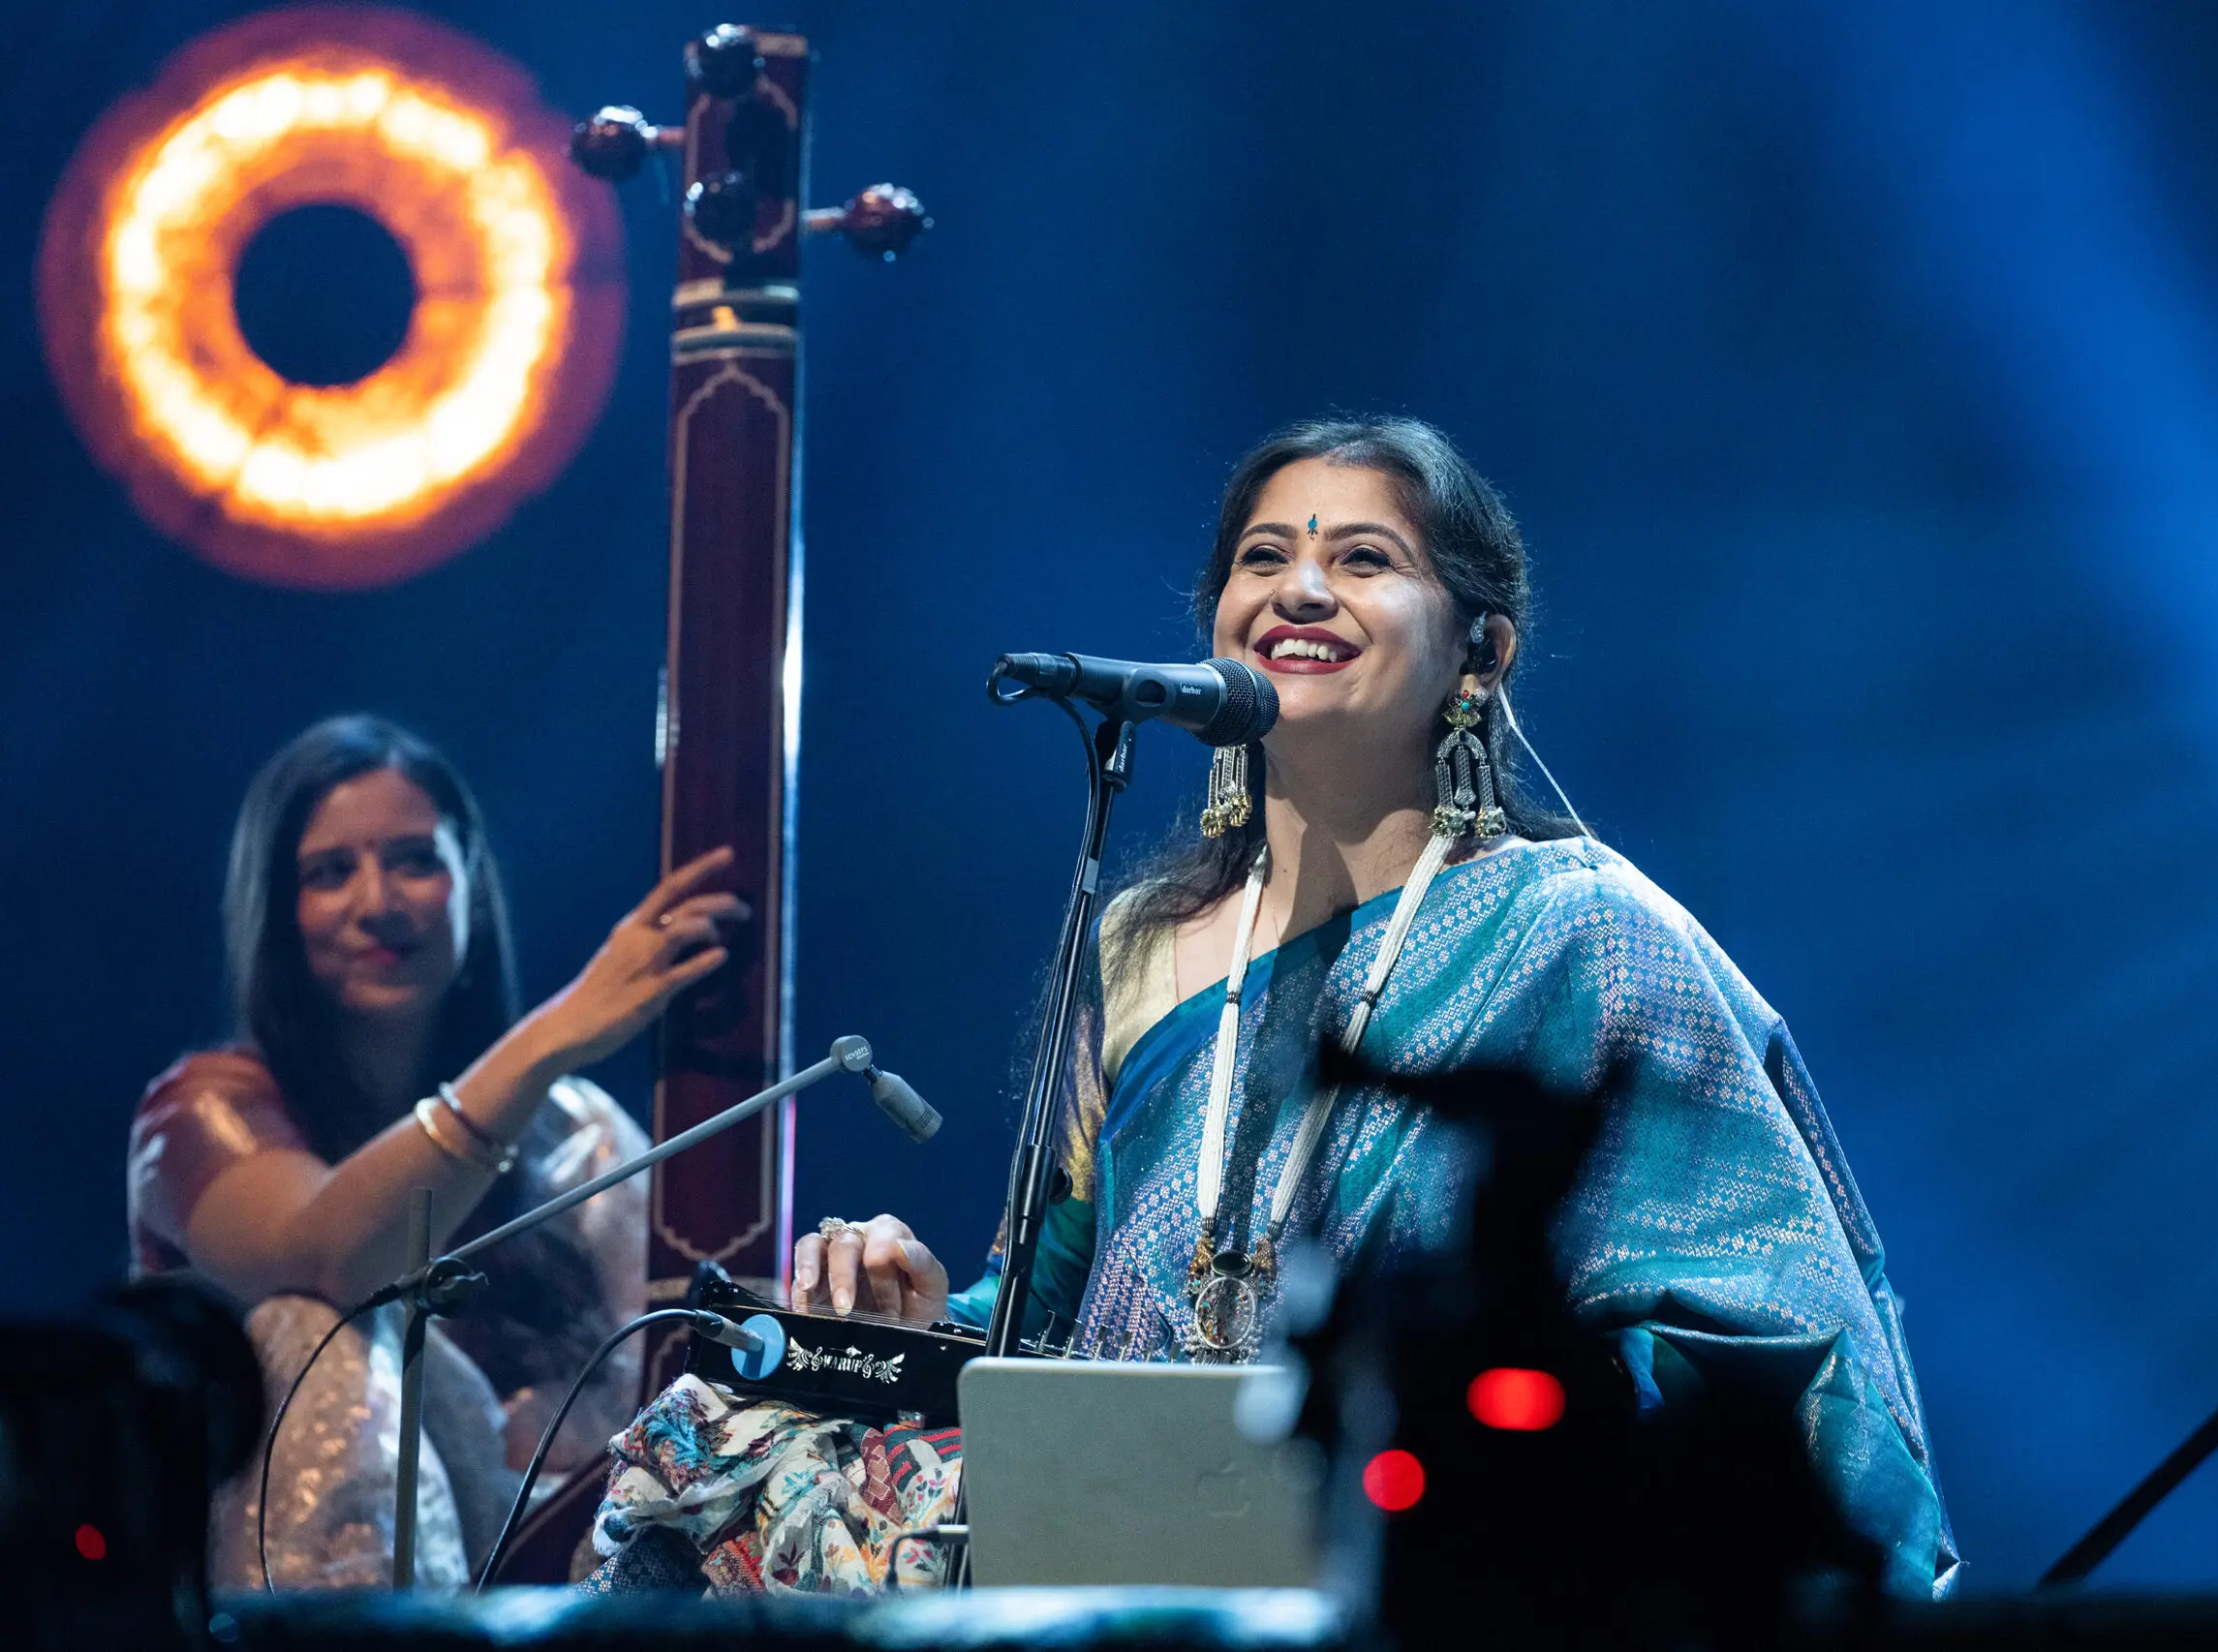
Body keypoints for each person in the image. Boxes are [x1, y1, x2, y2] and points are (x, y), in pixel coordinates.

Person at [594, 416, 1960, 1598]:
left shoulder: (1584, 932)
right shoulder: (1141, 941)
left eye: (1363, 559)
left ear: (1480, 650)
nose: (1299, 588)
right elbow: (1051, 1302)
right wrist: (921, 1312)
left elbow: (1767, 1317)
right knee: (711, 1437)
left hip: (1420, 1511)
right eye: (1263, 558)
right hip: (1121, 1512)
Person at [130, 715, 744, 1586]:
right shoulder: (200, 1112)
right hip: (253, 1602)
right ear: (276, 910)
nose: (378, 902)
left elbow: (692, 1369)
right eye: (330, 872)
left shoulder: (575, 1131)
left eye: (415, 860)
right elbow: (332, 1262)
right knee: (314, 1329)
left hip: (563, 1593)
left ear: (471, 889)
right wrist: (554, 1034)